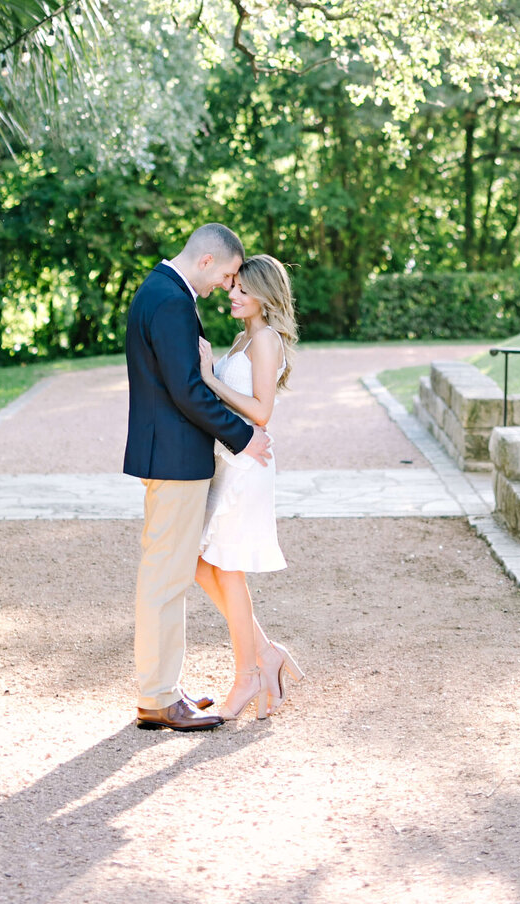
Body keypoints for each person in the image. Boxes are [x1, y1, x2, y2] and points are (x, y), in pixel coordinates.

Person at [124, 223, 272, 732]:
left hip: (168, 457)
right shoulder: (170, 300)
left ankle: (161, 689)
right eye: (229, 274)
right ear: (207, 261)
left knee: (165, 577)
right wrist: (243, 437)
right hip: (174, 460)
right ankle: (158, 697)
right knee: (165, 580)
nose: (226, 287)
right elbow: (187, 389)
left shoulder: (159, 290)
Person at [195, 253, 305, 722]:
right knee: (202, 565)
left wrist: (206, 379)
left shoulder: (266, 339)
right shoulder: (246, 335)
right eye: (232, 286)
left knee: (226, 567)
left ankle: (248, 674)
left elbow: (261, 412)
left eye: (241, 288)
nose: (232, 294)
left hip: (248, 466)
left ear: (264, 294)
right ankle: (266, 653)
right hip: (230, 461)